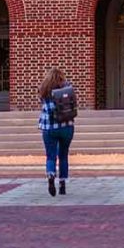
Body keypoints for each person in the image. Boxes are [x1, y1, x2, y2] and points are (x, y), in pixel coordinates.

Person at [39, 68, 78, 196]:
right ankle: (62, 184)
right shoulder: (67, 87)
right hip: (66, 126)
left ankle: (51, 175)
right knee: (63, 155)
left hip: (49, 127)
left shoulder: (44, 90)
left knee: (51, 156)